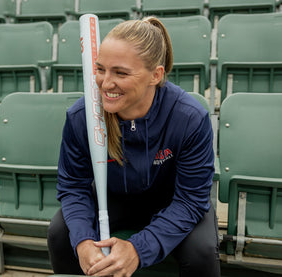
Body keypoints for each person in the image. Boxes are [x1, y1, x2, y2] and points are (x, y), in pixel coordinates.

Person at [48, 17, 220, 276]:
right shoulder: (81, 116)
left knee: (202, 250)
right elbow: (73, 186)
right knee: (61, 232)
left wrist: (138, 249)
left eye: (121, 73)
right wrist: (83, 242)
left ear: (155, 75)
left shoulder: (189, 118)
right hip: (113, 199)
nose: (105, 83)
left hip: (172, 202)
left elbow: (191, 200)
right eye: (100, 69)